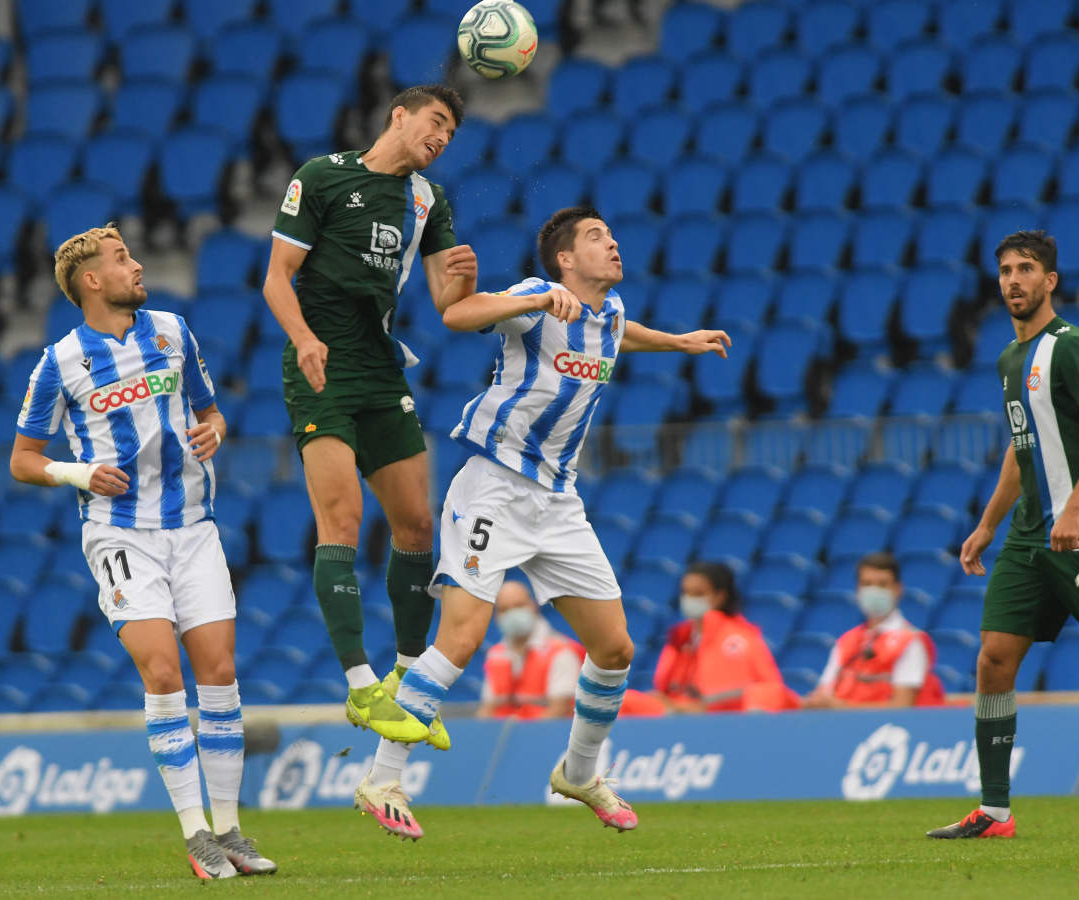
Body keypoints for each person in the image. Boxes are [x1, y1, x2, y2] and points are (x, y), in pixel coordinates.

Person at [351, 205, 731, 840]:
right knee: (464, 637)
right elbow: (459, 315)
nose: (612, 244)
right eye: (595, 238)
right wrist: (513, 302)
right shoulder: (534, 295)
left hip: (558, 502)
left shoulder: (607, 311)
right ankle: (382, 779)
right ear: (564, 259)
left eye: (612, 234)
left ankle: (579, 772)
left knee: (614, 649)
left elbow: (618, 330)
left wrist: (677, 342)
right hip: (494, 486)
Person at [11, 225, 275, 880]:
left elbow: (211, 412)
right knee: (163, 673)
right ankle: (196, 837)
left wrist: (214, 431)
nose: (137, 264)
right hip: (120, 531)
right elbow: (23, 459)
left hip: (192, 527)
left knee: (218, 671)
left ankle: (232, 830)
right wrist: (76, 473)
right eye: (122, 258)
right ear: (91, 281)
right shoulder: (60, 362)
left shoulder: (172, 331)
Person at [262, 84, 478, 746]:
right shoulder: (322, 177)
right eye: (436, 122)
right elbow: (277, 277)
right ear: (398, 116)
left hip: (382, 370)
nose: (442, 138)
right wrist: (304, 340)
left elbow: (449, 304)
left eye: (451, 133)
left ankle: (408, 688)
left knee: (417, 523)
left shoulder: (428, 201)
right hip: (320, 369)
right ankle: (360, 686)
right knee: (343, 520)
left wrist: (464, 280)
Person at [928, 230, 1079, 839]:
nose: (1013, 280)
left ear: (1050, 280)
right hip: (1028, 539)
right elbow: (1023, 450)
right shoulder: (1009, 359)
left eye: (1026, 269)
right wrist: (986, 524)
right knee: (994, 659)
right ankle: (994, 810)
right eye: (1005, 270)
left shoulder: (1074, 348)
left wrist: (1075, 507)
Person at [802, 552, 943, 710]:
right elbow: (824, 692)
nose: (874, 591)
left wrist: (840, 707)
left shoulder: (911, 641)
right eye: (867, 584)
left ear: (898, 589)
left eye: (882, 584)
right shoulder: (847, 641)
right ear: (858, 589)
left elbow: (902, 708)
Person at [653, 562, 799, 713]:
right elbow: (665, 688)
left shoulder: (742, 638)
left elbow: (769, 691)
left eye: (698, 594)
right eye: (686, 593)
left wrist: (695, 706)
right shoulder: (678, 638)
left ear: (720, 596)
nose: (689, 599)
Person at [478, 580, 584, 719]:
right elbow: (488, 709)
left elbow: (560, 708)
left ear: (533, 605)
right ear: (496, 616)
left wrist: (524, 737)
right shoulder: (495, 655)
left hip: (549, 735)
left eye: (519, 606)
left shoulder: (561, 651)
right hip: (504, 736)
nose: (513, 614)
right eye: (504, 609)